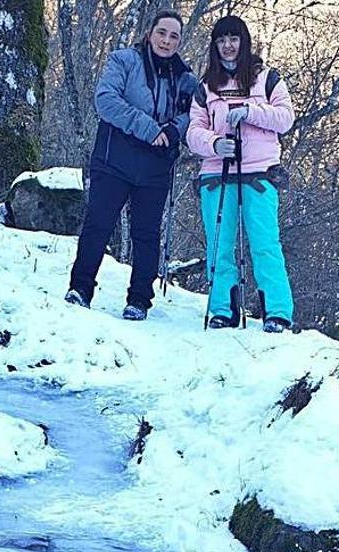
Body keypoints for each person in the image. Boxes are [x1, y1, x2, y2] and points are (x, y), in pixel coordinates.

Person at [65, 11, 196, 321]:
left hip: (155, 168)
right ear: (149, 33)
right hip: (114, 158)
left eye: (174, 36)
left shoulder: (185, 77)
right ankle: (80, 288)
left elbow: (195, 114)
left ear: (180, 41)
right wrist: (149, 128)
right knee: (98, 224)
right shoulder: (124, 60)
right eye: (161, 33)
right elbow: (106, 100)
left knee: (146, 235)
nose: (166, 41)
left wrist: (174, 130)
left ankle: (139, 300)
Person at [186, 15, 295, 333]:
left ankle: (277, 312)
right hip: (216, 172)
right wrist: (215, 144)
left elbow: (286, 117)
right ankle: (222, 308)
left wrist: (250, 112)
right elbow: (194, 131)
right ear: (214, 46)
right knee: (219, 244)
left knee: (265, 243)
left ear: (243, 42)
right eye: (221, 40)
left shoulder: (267, 78)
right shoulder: (206, 86)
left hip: (259, 172)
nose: (228, 46)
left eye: (233, 39)